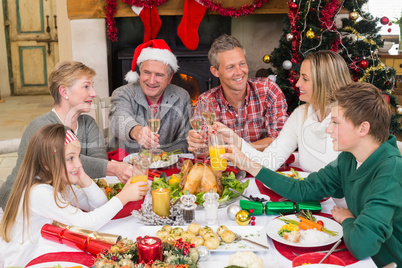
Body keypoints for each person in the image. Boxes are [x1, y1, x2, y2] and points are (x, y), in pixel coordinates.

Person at [223, 82, 402, 267]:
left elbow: (362, 245)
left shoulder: (390, 172)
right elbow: (304, 189)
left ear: (363, 129)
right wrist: (249, 165)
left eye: (335, 122)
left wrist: (347, 218)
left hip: (386, 262)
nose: (328, 129)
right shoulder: (349, 158)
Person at [0, 124, 149, 267]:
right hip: (25, 259)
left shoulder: (60, 182)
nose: (79, 164)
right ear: (47, 163)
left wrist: (83, 178)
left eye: (78, 157)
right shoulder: (38, 193)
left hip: (46, 247)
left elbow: (101, 204)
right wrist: (124, 196)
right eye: (71, 158)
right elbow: (86, 223)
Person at [0, 61, 133, 210]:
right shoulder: (41, 127)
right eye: (86, 86)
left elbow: (98, 162)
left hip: (66, 197)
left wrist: (103, 167)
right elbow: (61, 161)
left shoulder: (87, 123)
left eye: (92, 86)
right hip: (21, 202)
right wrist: (113, 167)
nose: (94, 93)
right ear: (64, 92)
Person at [215, 50, 353, 173]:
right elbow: (269, 161)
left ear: (324, 82)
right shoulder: (300, 115)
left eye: (305, 79)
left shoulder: (351, 119)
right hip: (309, 197)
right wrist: (234, 139)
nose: (297, 83)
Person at [187, 34, 288, 154]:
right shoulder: (206, 101)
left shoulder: (268, 90)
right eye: (230, 67)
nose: (239, 72)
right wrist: (197, 146)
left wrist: (237, 148)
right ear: (215, 71)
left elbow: (280, 141)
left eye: (242, 64)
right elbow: (203, 151)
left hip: (263, 166)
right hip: (226, 170)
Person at [109, 39, 191, 154]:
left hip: (168, 164)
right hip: (128, 163)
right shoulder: (123, 93)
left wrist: (162, 156)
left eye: (159, 75)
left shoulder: (181, 96)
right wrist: (137, 132)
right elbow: (119, 120)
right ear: (140, 71)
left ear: (170, 77)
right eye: (147, 72)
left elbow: (186, 140)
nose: (152, 81)